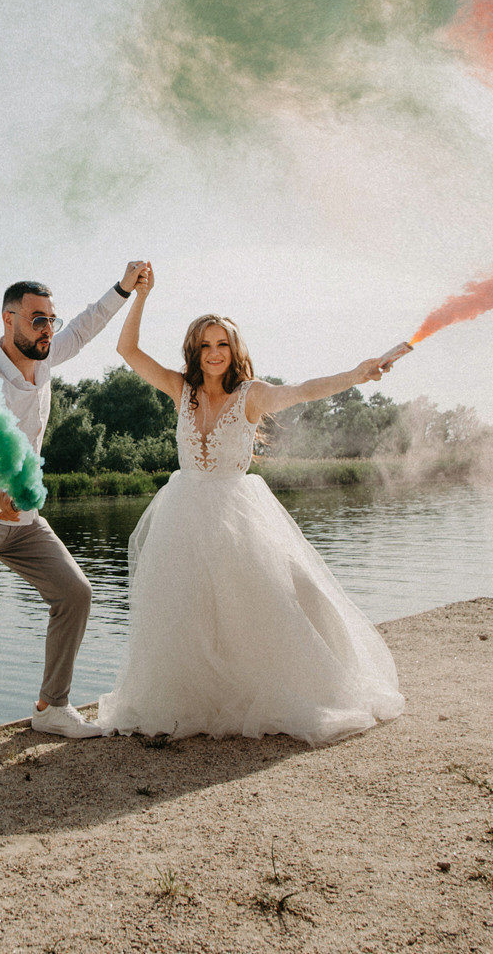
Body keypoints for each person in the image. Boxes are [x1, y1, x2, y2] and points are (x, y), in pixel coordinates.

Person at [96, 264, 406, 743]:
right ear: (195, 351)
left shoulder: (251, 396)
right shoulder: (182, 390)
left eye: (223, 344)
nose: (215, 353)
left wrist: (356, 374)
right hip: (181, 512)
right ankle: (189, 702)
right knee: (183, 608)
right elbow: (126, 350)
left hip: (235, 515)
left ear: (234, 350)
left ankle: (263, 695)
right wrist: (141, 296)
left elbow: (303, 391)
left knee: (253, 610)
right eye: (206, 345)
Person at [0, 264, 146, 772]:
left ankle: (52, 707)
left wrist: (124, 288)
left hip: (22, 521)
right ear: (8, 320)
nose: (47, 329)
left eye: (50, 319)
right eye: (37, 319)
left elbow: (85, 328)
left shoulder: (44, 361)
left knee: (76, 593)